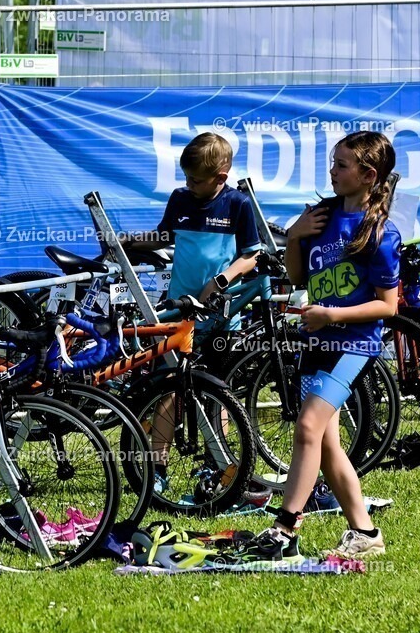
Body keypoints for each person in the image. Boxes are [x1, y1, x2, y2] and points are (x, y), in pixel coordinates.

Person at [246, 131, 401, 562]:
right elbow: (298, 279)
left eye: (341, 165)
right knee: (327, 444)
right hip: (314, 342)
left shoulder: (381, 234)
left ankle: (285, 526)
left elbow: (388, 307)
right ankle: (365, 530)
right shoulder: (321, 215)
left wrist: (332, 315)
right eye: (332, 163)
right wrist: (295, 236)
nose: (332, 172)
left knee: (308, 428)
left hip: (353, 345)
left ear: (368, 175)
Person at [122, 132, 263, 493]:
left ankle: (220, 467)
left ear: (221, 175)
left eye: (196, 180)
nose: (189, 184)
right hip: (178, 313)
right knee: (168, 391)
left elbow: (251, 255)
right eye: (186, 178)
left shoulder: (238, 204)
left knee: (218, 393)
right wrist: (129, 242)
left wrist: (220, 280)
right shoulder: (181, 199)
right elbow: (164, 236)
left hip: (219, 313)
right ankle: (157, 469)